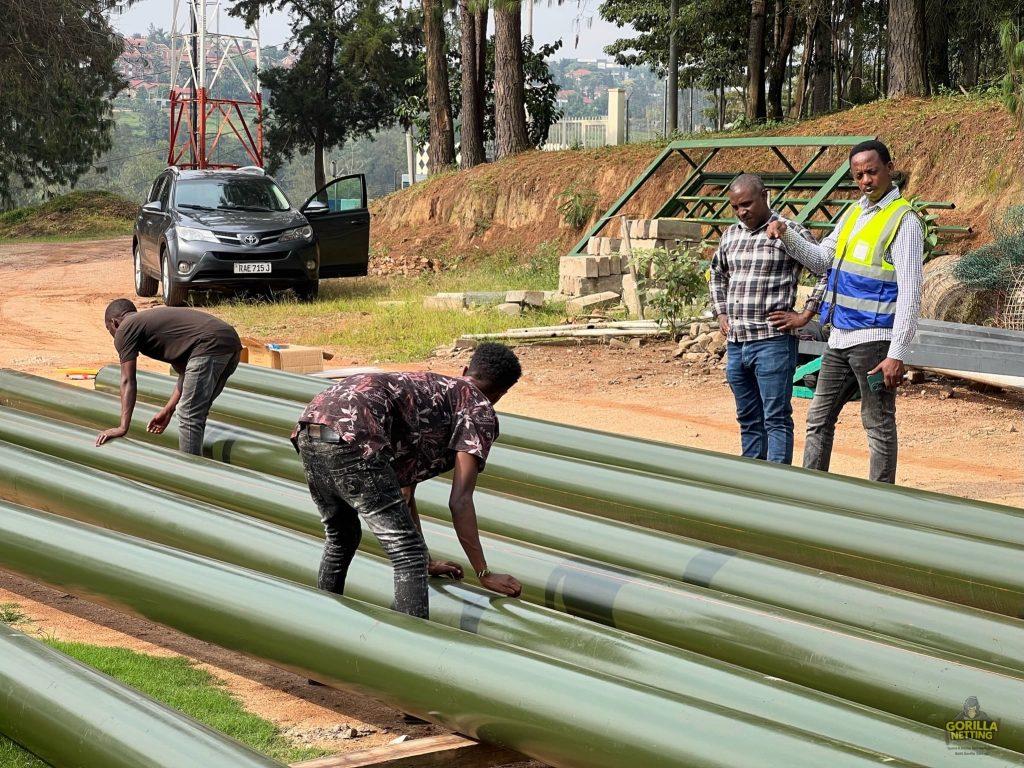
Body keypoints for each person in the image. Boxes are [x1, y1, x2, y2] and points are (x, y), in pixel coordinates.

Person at [293, 343, 524, 621]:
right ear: (501, 393)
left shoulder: (429, 390)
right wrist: (483, 573)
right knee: (408, 555)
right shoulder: (478, 409)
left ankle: (324, 619)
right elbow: (460, 501)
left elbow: (404, 491)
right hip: (355, 433)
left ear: (465, 370)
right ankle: (411, 639)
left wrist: (428, 561)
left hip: (311, 425)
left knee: (343, 535)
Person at [766, 139, 924, 483]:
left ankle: (880, 499)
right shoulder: (853, 213)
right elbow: (821, 260)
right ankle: (812, 492)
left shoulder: (904, 221)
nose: (866, 180)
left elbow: (912, 293)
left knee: (877, 422)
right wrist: (787, 235)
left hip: (875, 341)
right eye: (858, 175)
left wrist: (897, 353)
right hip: (840, 337)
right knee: (818, 418)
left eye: (872, 172)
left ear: (889, 169)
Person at [709, 173, 827, 464]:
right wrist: (721, 312)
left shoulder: (789, 232)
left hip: (773, 342)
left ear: (765, 196)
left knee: (776, 418)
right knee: (748, 417)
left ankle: (777, 483)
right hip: (737, 343)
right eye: (735, 207)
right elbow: (716, 273)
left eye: (746, 204)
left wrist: (805, 315)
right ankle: (752, 478)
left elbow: (825, 270)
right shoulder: (730, 235)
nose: (741, 212)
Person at [97, 299, 242, 454]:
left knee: (188, 414)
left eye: (109, 330)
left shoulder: (125, 328)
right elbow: (185, 373)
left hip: (210, 345)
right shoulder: (159, 327)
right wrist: (168, 410)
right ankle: (198, 462)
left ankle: (189, 467)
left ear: (115, 323)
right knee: (196, 411)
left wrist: (123, 427)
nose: (113, 335)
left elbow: (127, 380)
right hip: (230, 342)